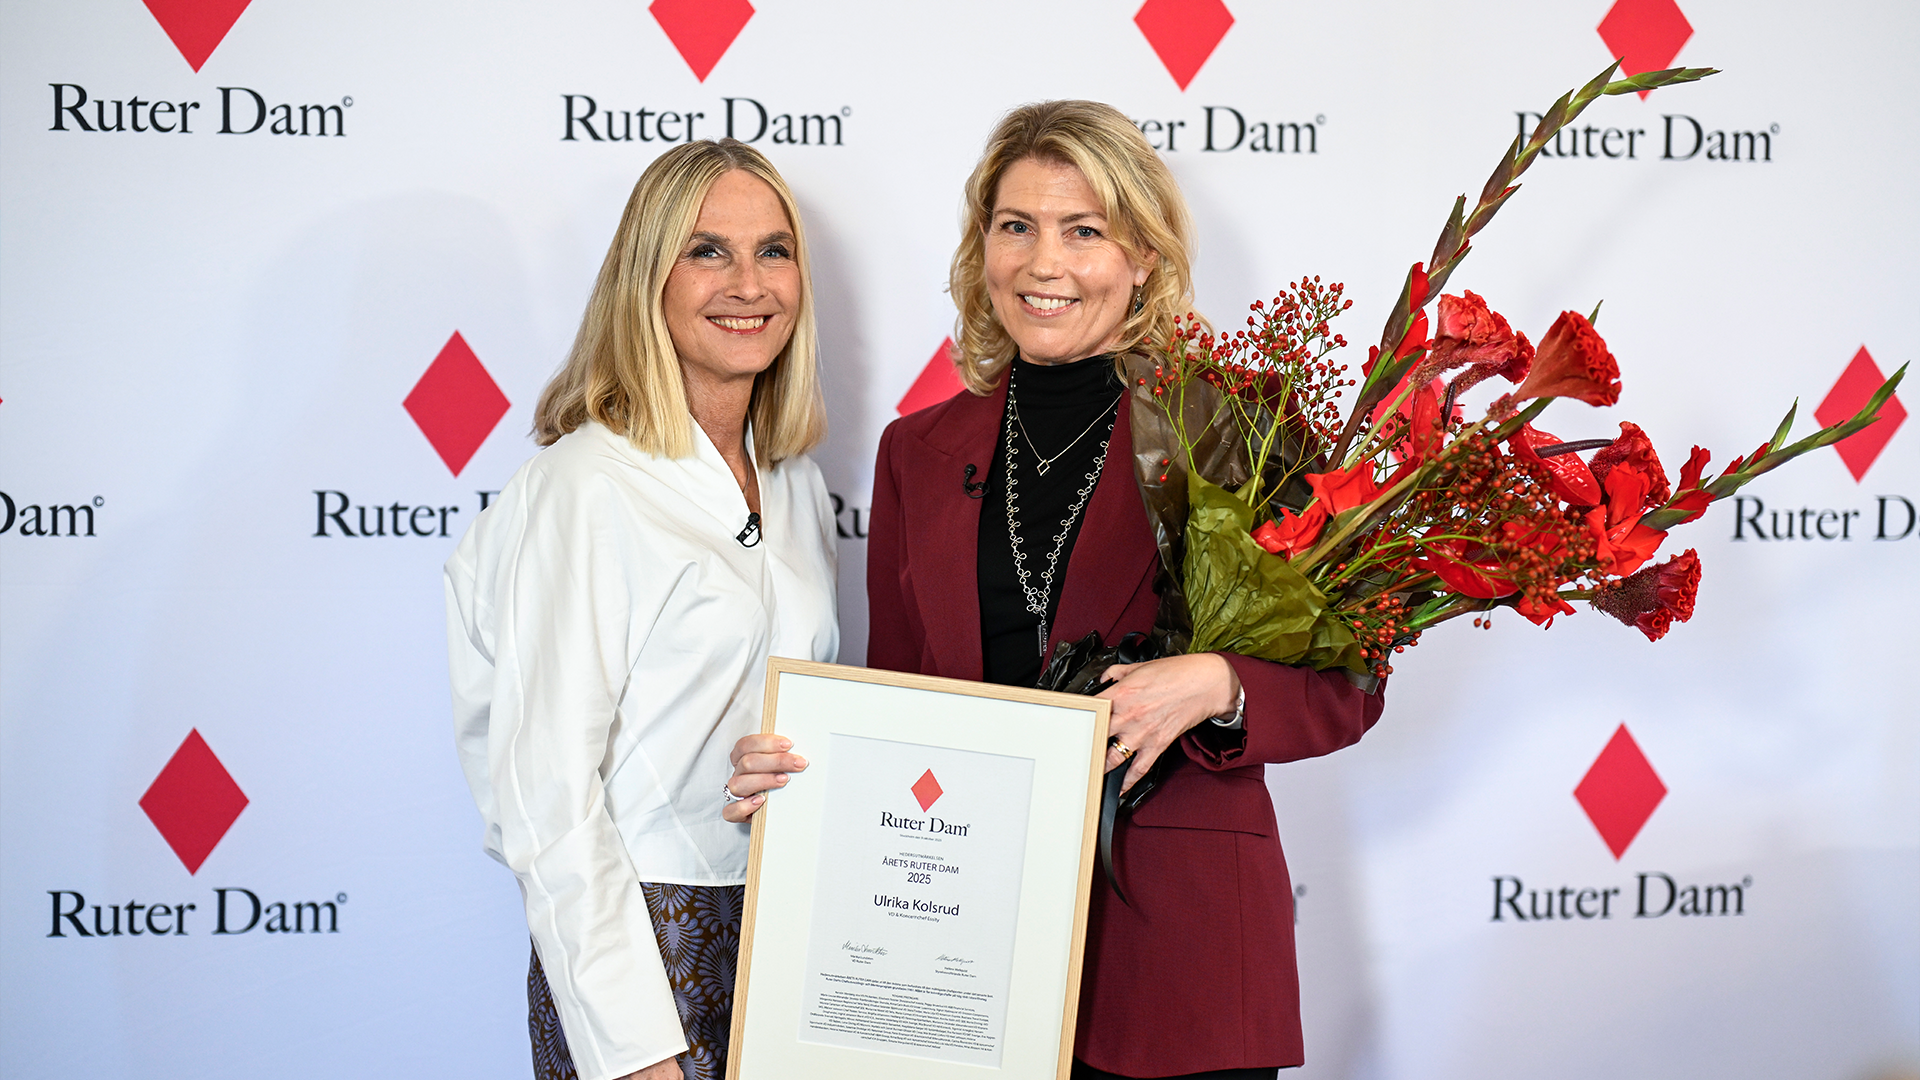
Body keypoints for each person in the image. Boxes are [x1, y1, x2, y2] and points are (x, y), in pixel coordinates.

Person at [730, 101, 1386, 1079]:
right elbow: (906, 708)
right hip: (966, 956)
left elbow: (1351, 684)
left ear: (1144, 258)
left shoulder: (1233, 430)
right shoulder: (915, 452)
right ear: (981, 248)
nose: (1045, 263)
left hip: (1180, 956)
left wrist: (1220, 683)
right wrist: (797, 777)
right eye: (1017, 226)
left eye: (1084, 231)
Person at [445, 138, 838, 1080]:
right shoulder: (582, 486)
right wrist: (634, 1048)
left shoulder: (797, 486)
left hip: (792, 940)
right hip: (649, 951)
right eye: (707, 251)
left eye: (773, 250)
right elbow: (545, 796)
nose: (748, 283)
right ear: (644, 280)